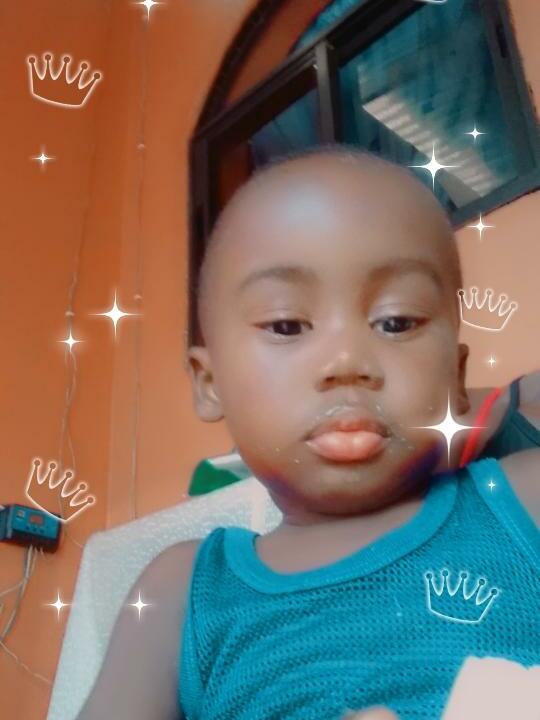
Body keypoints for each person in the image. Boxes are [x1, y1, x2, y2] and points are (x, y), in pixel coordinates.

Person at [76, 145, 539, 720]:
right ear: (210, 383)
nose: (347, 361)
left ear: (456, 372)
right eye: (287, 325)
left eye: (396, 321)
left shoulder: (521, 502)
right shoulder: (181, 594)